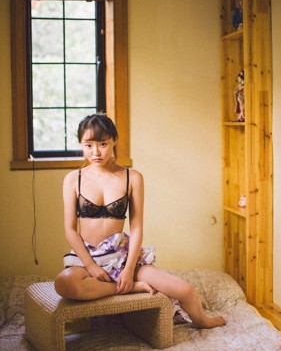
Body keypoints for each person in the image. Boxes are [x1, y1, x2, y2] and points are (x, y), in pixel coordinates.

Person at [55, 114, 226, 329]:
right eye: (88, 145)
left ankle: (202, 321)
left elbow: (136, 228)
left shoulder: (132, 177)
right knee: (64, 283)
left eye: (103, 144)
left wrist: (127, 269)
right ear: (81, 144)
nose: (96, 152)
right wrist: (90, 265)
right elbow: (70, 230)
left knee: (186, 291)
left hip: (122, 256)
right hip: (88, 257)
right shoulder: (73, 179)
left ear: (114, 141)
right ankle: (132, 287)